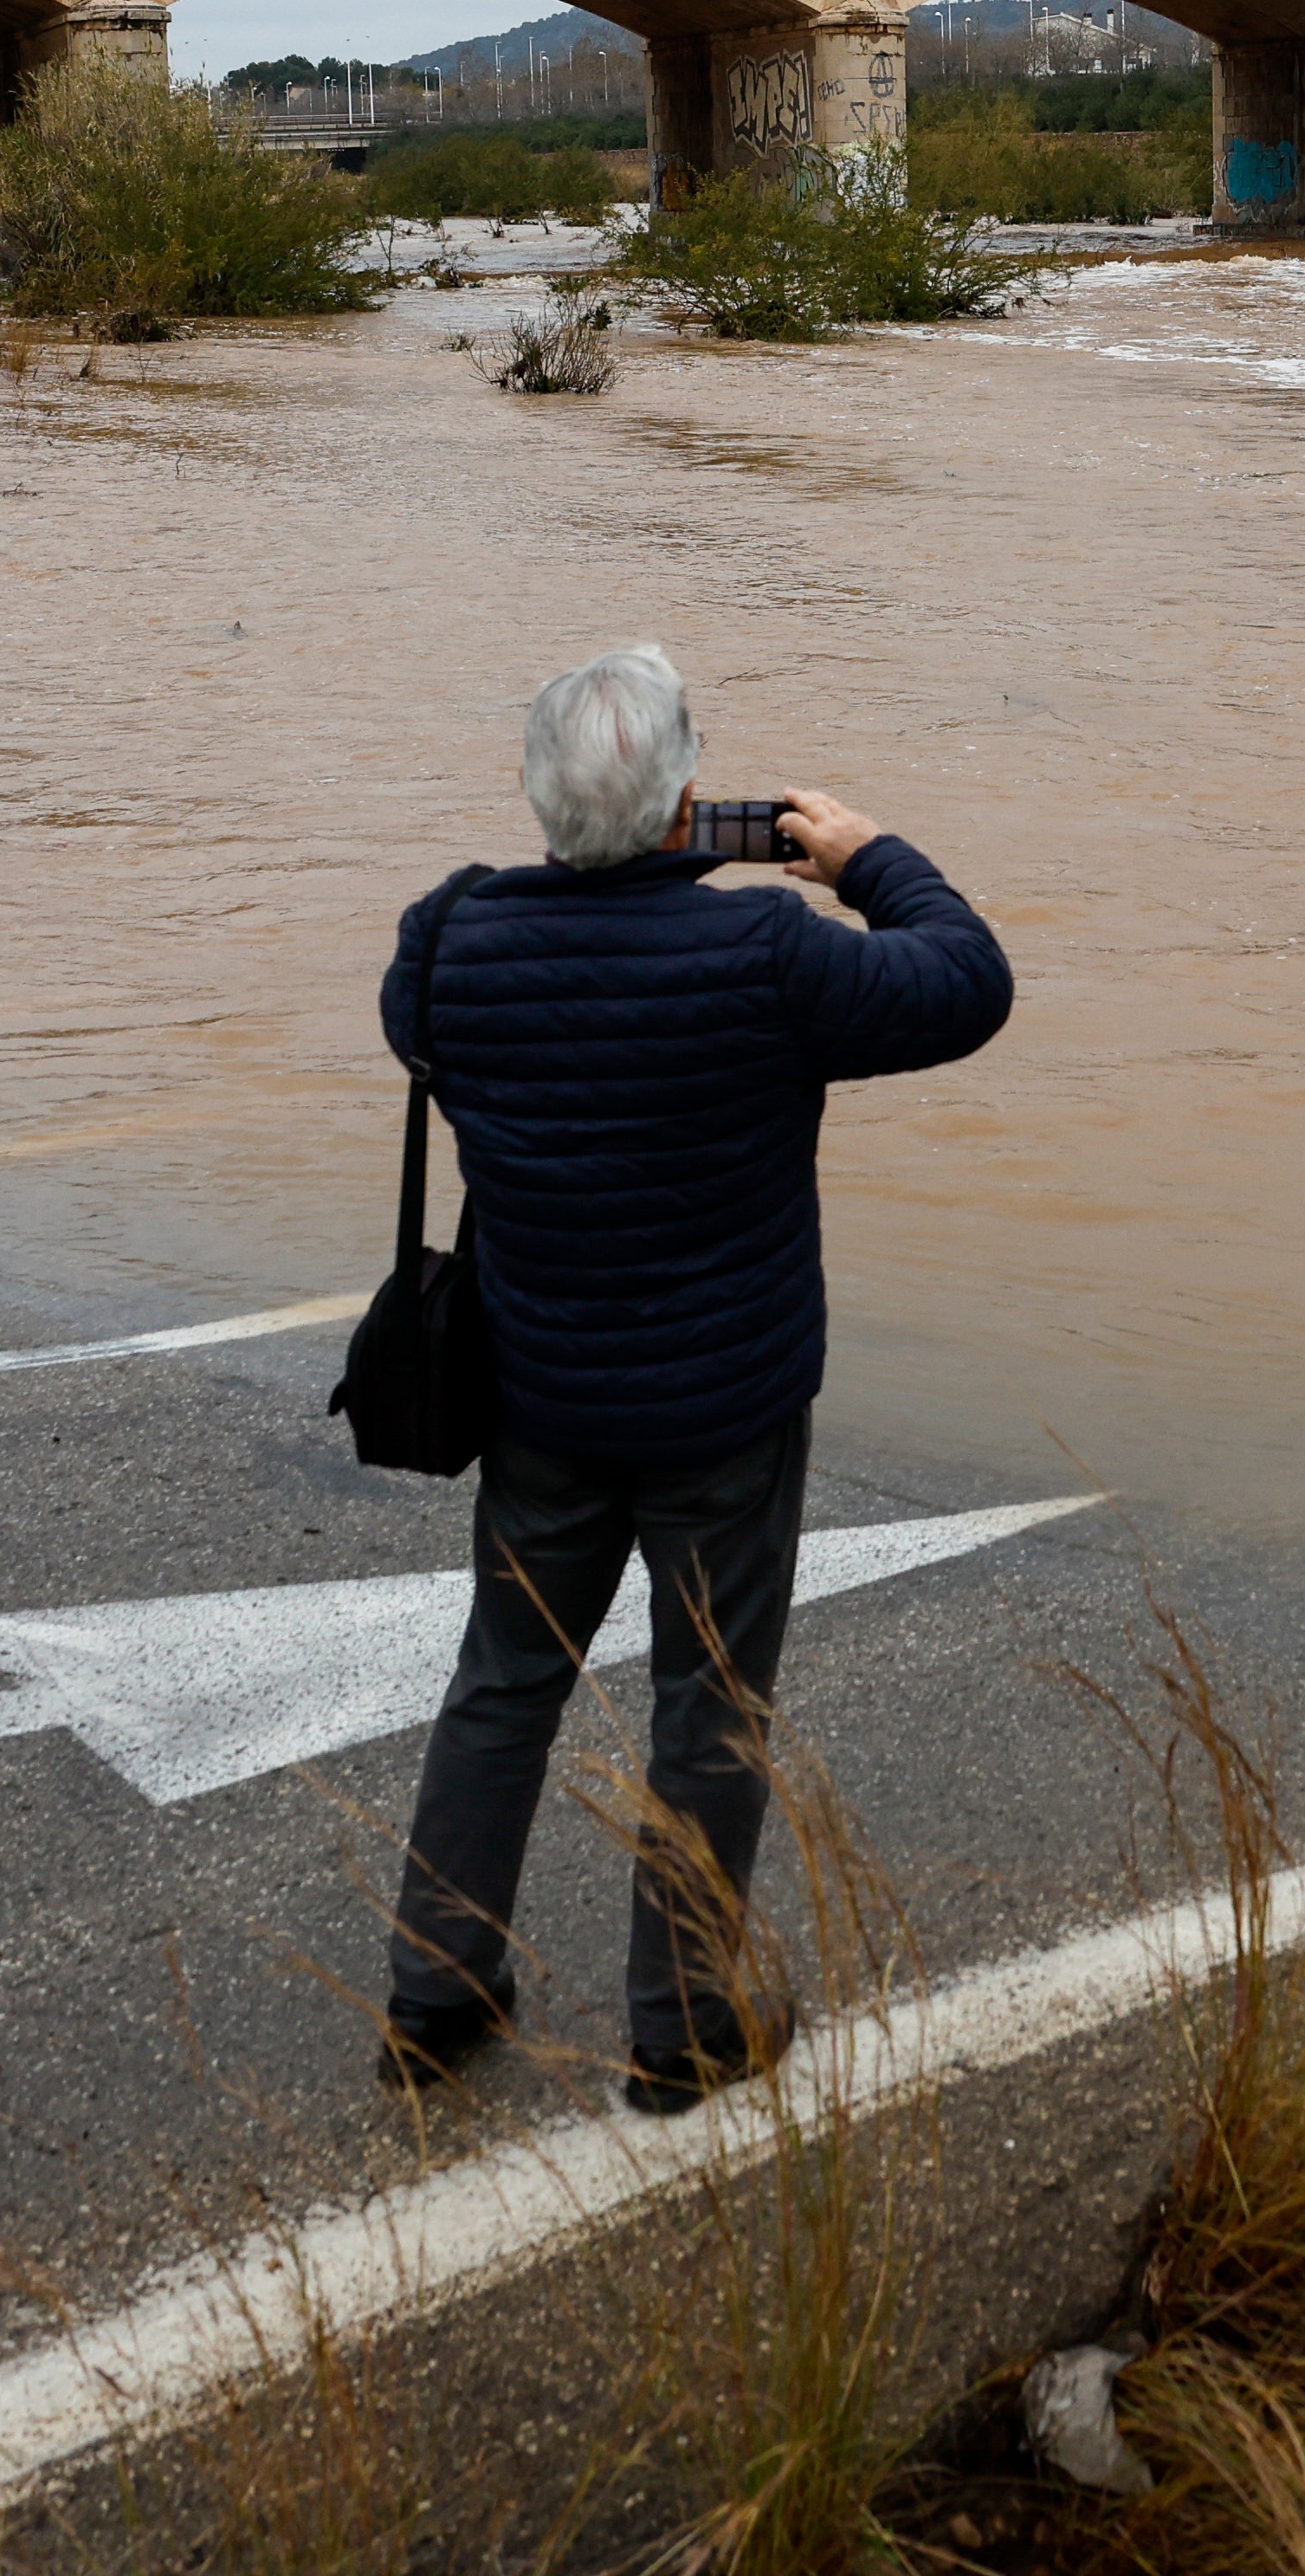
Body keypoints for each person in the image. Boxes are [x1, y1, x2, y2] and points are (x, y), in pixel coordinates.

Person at [371, 643, 1013, 2114]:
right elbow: (970, 981)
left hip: (540, 1403)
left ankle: (436, 1991)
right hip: (727, 1415)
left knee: (503, 1684)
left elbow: (417, 1016)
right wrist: (866, 857)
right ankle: (679, 2030)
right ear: (685, 814)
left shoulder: (452, 942)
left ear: (541, 805)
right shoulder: (764, 957)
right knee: (709, 1710)